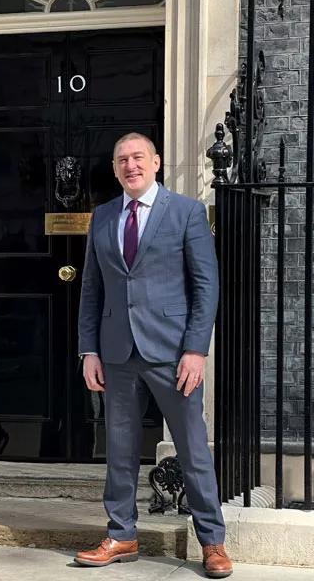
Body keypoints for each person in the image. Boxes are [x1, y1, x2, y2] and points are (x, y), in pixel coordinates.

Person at [75, 133, 232, 578]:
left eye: (138, 157)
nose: (131, 165)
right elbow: (92, 288)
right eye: (122, 159)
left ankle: (212, 542)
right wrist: (89, 350)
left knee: (193, 450)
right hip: (117, 354)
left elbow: (206, 287)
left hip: (172, 354)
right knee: (119, 451)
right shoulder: (103, 217)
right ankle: (121, 534)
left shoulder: (185, 212)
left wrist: (196, 350)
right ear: (114, 167)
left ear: (156, 162)